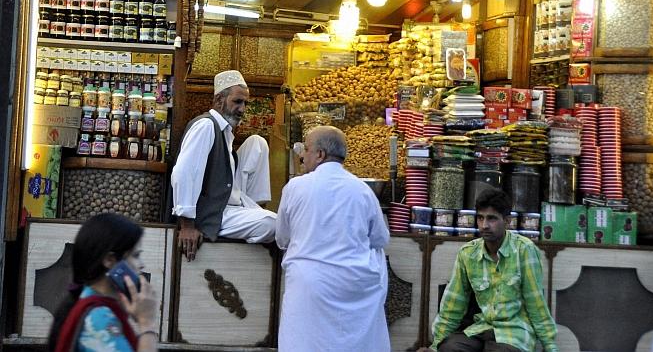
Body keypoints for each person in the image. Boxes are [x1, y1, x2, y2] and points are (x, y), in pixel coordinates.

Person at [276, 125, 390, 352]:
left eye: (306, 149)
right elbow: (379, 238)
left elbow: (282, 238)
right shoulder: (363, 190)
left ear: (320, 155)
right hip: (354, 285)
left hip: (309, 285)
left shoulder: (295, 187)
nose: (302, 156)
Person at [418, 189, 557, 352]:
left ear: (507, 221)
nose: (484, 225)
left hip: (515, 334)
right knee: (449, 348)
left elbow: (536, 304)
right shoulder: (468, 253)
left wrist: (550, 347)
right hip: (480, 329)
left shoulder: (524, 250)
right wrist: (436, 346)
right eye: (480, 218)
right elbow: (453, 304)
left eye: (492, 218)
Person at [171, 70, 276, 261]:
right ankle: (251, 219)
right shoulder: (206, 126)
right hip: (212, 213)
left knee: (257, 142)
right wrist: (187, 225)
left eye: (245, 103)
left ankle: (251, 211)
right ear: (219, 99)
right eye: (237, 102)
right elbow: (184, 172)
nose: (243, 109)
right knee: (275, 224)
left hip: (229, 201)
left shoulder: (225, 131)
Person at [47, 213, 159, 352]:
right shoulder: (99, 317)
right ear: (109, 260)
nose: (141, 265)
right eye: (136, 255)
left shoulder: (97, 305)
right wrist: (146, 323)